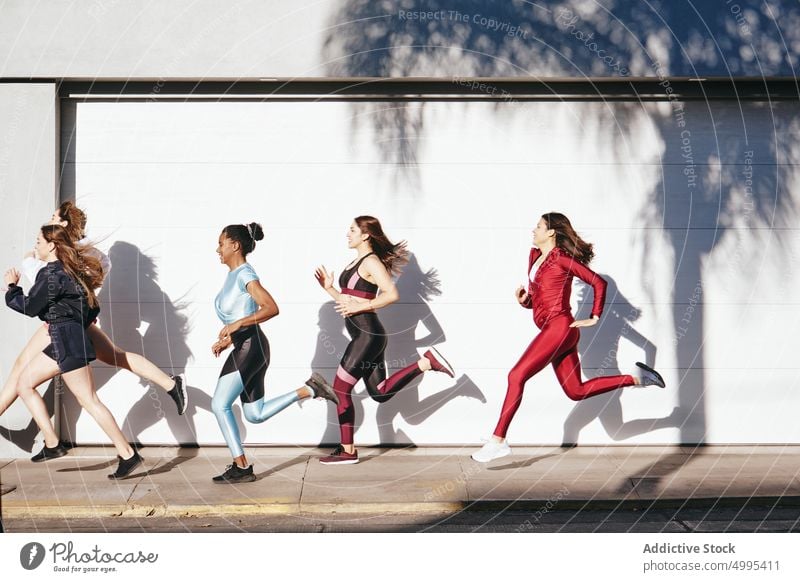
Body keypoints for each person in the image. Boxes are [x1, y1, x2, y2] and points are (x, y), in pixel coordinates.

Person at [471, 212, 665, 463]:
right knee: (576, 391)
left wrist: (595, 316)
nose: (534, 230)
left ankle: (498, 440)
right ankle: (639, 378)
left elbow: (598, 283)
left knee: (515, 376)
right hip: (555, 331)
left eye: (539, 226)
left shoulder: (562, 259)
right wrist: (525, 301)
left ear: (551, 232)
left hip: (560, 328)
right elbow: (539, 299)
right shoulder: (535, 257)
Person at [0, 202, 186, 441]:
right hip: (78, 320)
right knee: (115, 357)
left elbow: (40, 286)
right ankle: (170, 384)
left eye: (53, 217)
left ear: (64, 224)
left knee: (23, 372)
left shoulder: (63, 254)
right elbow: (98, 271)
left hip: (61, 323)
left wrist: (27, 265)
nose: (49, 221)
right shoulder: (89, 254)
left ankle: (38, 435)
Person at [3, 224, 143, 479]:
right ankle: (53, 444)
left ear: (52, 245)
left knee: (89, 400)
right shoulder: (71, 271)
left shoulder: (52, 274)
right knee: (24, 383)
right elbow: (93, 308)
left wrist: (12, 288)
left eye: (38, 241)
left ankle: (127, 454)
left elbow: (31, 306)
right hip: (63, 339)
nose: (36, 246)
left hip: (66, 341)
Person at [314, 215, 454, 465]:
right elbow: (348, 303)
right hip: (368, 336)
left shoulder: (371, 261)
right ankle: (424, 363)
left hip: (368, 335)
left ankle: (348, 450)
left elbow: (391, 294)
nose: (348, 233)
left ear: (366, 235)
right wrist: (330, 289)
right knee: (379, 393)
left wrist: (365, 305)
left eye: (352, 229)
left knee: (340, 388)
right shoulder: (356, 262)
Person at [210, 223, 338, 484]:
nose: (217, 249)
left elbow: (271, 307)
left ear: (235, 245)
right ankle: (309, 390)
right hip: (249, 347)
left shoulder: (245, 274)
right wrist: (229, 338)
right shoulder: (234, 275)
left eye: (221, 243)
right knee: (254, 414)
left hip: (251, 348)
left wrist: (238, 325)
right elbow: (240, 313)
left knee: (219, 404)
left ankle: (241, 466)